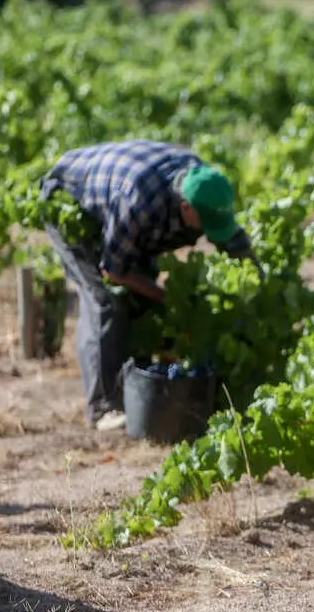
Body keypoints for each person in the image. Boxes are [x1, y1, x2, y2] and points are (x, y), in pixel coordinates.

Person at [40, 140, 256, 431]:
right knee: (107, 301)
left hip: (122, 209)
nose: (208, 232)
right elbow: (113, 270)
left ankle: (134, 390)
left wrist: (255, 283)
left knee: (141, 301)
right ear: (185, 208)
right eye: (205, 223)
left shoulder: (205, 185)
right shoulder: (138, 201)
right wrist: (166, 297)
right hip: (70, 201)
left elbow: (235, 245)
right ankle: (103, 407)